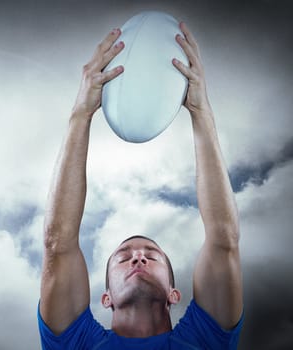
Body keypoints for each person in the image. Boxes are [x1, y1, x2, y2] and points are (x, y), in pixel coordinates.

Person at [38, 22, 244, 349]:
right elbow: (57, 243)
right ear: (105, 298)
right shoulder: (78, 343)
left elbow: (224, 238)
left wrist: (201, 112)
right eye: (124, 257)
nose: (138, 258)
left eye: (151, 255)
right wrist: (80, 114)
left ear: (174, 294)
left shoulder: (205, 339)